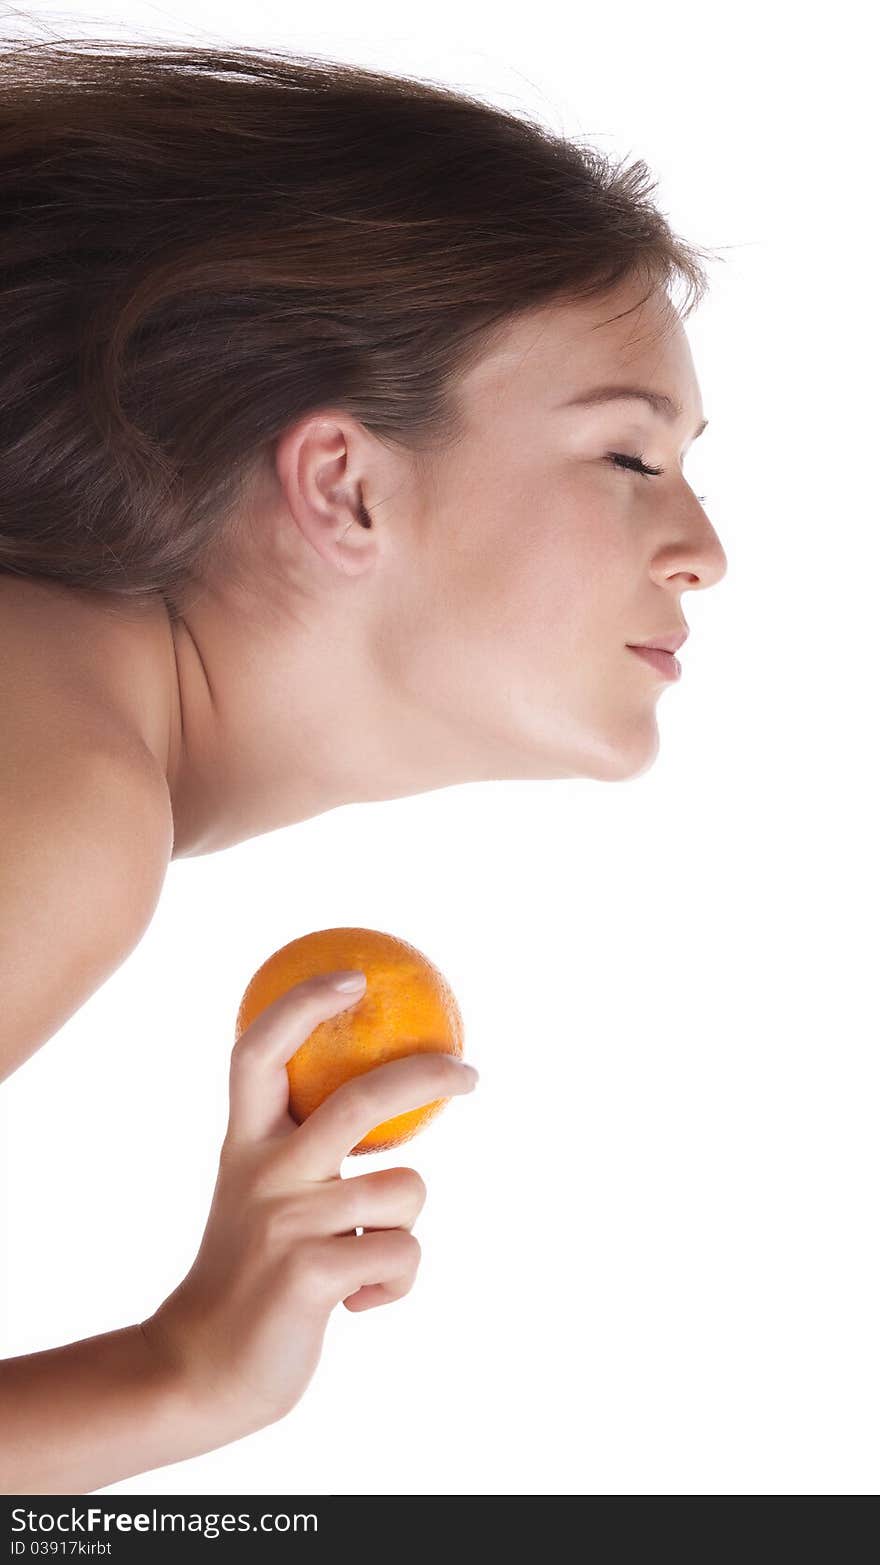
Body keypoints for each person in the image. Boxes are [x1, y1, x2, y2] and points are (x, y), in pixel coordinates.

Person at [0, 34, 727, 1493]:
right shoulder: (69, 804)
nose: (706, 553)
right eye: (629, 459)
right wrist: (174, 1385)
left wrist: (187, 1367)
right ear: (344, 484)